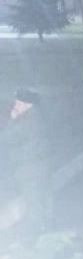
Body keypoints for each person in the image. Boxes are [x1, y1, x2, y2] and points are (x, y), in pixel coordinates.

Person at [3, 88, 51, 234]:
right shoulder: (35, 117)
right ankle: (41, 228)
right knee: (38, 198)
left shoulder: (28, 121)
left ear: (28, 105)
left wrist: (12, 120)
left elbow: (6, 137)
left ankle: (36, 233)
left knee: (33, 201)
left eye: (19, 103)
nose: (15, 105)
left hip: (30, 169)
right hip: (34, 167)